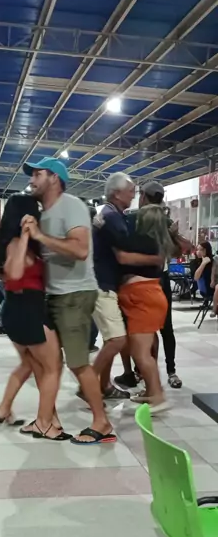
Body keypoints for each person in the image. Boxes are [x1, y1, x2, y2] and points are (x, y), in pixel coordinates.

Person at [23, 156, 116, 445]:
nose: (31, 180)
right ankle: (47, 420)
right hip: (54, 295)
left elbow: (80, 249)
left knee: (77, 362)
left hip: (74, 294)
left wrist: (40, 236)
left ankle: (102, 422)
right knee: (46, 361)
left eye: (37, 174)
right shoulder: (44, 214)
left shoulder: (71, 205)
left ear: (54, 177)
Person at [0, 194, 70, 440]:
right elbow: (14, 273)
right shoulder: (16, 242)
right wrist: (26, 235)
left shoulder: (13, 242)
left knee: (36, 366)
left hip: (19, 308)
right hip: (27, 309)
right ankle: (44, 423)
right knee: (53, 367)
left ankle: (45, 419)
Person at [92, 174, 164, 399]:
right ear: (116, 193)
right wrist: (155, 259)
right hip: (109, 288)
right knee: (118, 341)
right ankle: (94, 385)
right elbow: (122, 256)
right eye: (131, 190)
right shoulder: (112, 218)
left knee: (123, 343)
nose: (135, 195)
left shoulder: (115, 217)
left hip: (136, 294)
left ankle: (102, 385)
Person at [127, 181, 188, 390]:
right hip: (147, 279)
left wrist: (172, 235)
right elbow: (179, 251)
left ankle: (161, 371)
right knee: (151, 329)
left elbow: (178, 251)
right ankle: (148, 371)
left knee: (155, 329)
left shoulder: (144, 220)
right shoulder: (137, 219)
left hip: (148, 280)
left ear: (143, 196)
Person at [116, 205, 172, 414]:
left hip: (143, 300)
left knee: (140, 353)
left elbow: (122, 255)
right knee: (143, 351)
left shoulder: (145, 241)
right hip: (144, 298)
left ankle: (158, 396)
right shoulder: (155, 242)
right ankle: (151, 391)